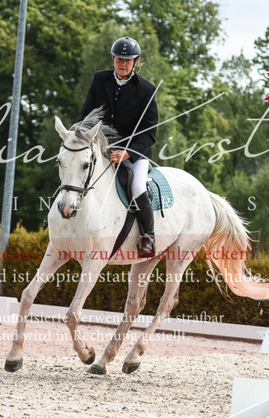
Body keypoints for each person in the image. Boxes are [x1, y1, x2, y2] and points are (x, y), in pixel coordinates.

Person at [80, 36, 159, 258]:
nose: (122, 64)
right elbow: (87, 114)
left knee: (137, 186)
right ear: (113, 59)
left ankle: (148, 236)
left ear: (135, 62)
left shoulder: (146, 89)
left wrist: (128, 153)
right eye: (119, 59)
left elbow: (149, 132)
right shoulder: (100, 80)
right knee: (76, 169)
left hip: (133, 152)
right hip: (101, 147)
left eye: (127, 60)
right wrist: (82, 137)